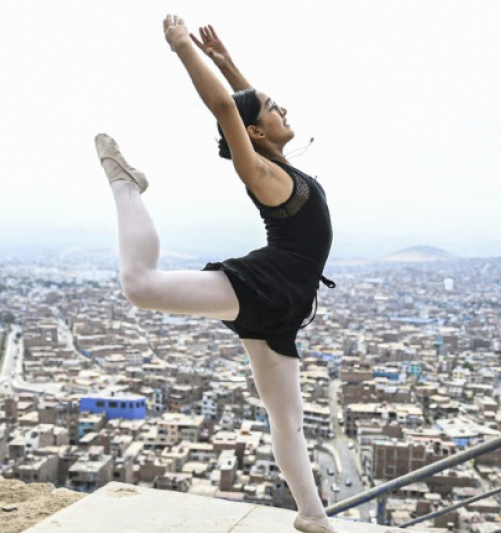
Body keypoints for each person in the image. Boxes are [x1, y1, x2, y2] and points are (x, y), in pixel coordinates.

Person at [94, 15, 339, 533]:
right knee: (141, 285)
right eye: (275, 109)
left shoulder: (279, 163)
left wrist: (226, 61)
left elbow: (245, 106)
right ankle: (125, 184)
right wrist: (183, 48)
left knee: (286, 418)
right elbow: (230, 108)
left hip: (285, 305)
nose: (284, 109)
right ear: (254, 133)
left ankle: (313, 516)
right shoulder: (262, 173)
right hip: (267, 286)